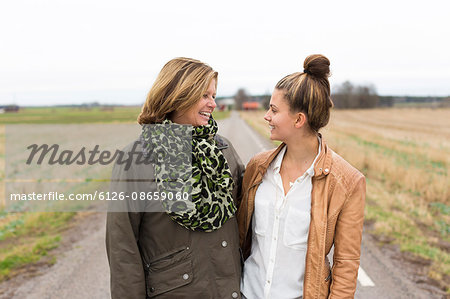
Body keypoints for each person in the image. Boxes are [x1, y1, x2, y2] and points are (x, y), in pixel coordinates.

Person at [106, 57, 245, 299]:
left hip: (231, 290)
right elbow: (122, 247)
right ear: (178, 95)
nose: (213, 104)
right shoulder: (136, 160)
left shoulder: (223, 150)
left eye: (214, 95)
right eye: (205, 95)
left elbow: (249, 213)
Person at [237, 54, 366, 298]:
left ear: (299, 119)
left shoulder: (348, 182)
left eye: (274, 110)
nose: (267, 116)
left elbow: (346, 263)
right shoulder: (257, 168)